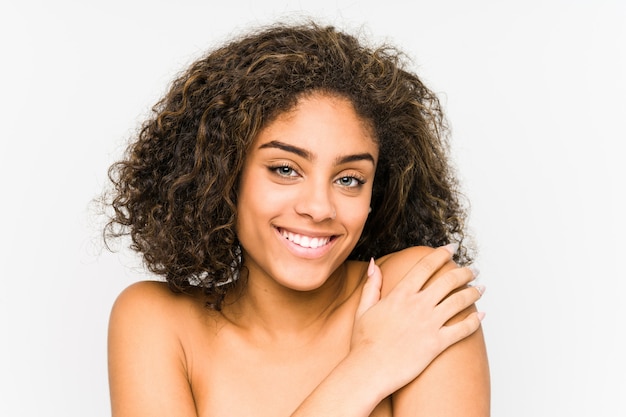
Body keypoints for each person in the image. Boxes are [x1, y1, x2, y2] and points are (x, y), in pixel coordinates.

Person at [104, 20, 490, 416]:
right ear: (223, 176)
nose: (319, 208)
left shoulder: (417, 292)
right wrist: (369, 367)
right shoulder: (156, 323)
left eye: (349, 179)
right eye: (285, 169)